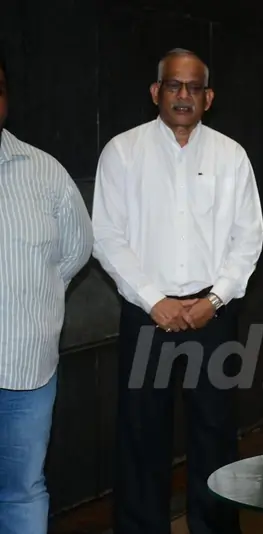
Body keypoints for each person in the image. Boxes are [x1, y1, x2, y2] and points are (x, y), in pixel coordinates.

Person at [91, 48, 263, 534]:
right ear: (156, 92)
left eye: (193, 87)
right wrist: (154, 300)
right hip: (147, 316)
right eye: (173, 85)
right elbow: (106, 234)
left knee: (215, 438)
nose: (183, 95)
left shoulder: (231, 157)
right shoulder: (123, 152)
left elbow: (248, 236)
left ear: (208, 97)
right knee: (142, 439)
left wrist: (215, 299)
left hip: (214, 316)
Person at [0, 50, 94, 534]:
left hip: (27, 371)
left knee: (22, 490)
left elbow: (77, 250)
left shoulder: (43, 172)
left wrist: (29, 297)